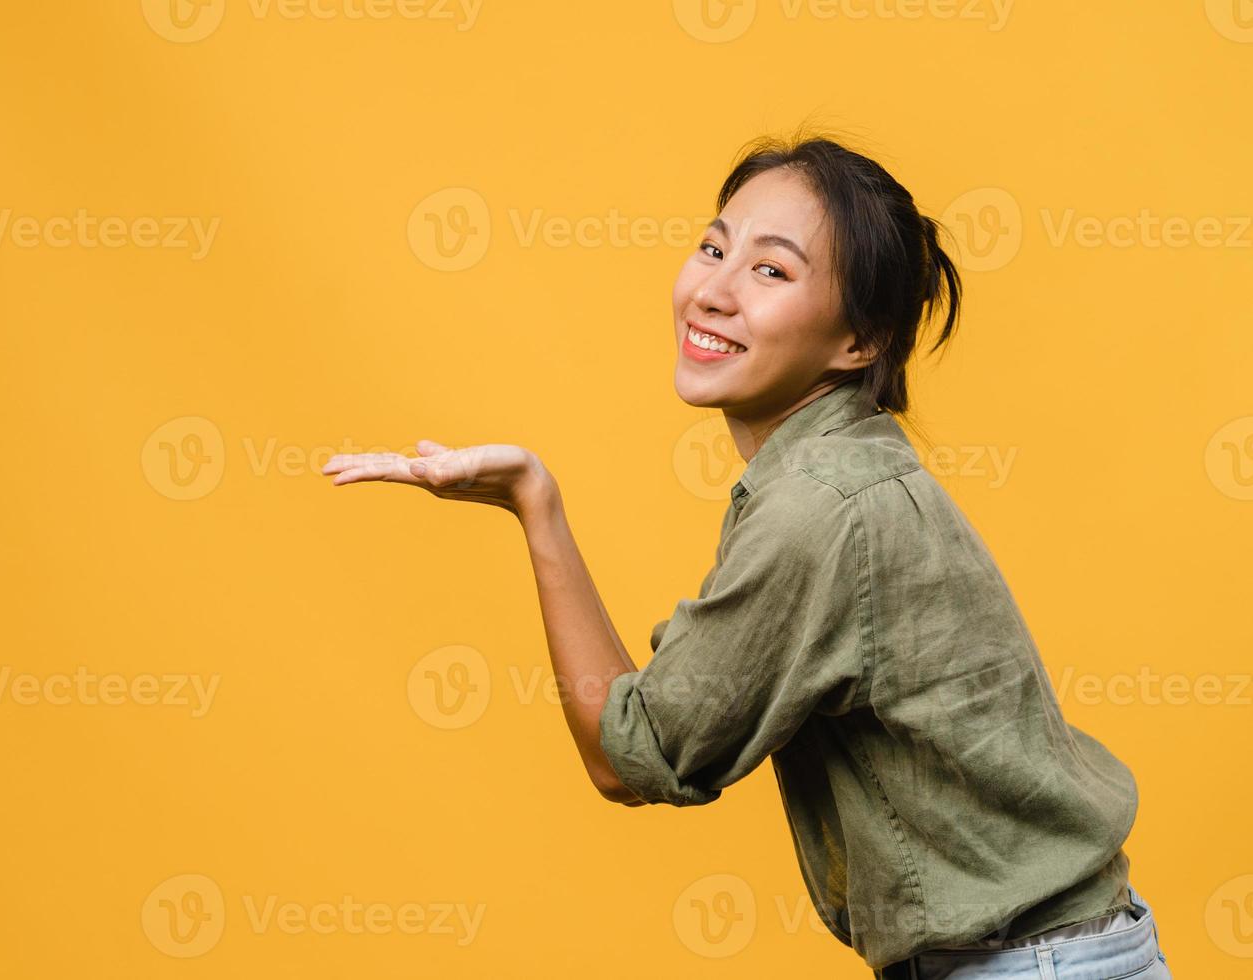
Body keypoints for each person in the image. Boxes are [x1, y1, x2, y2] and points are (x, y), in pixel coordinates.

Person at [320, 130, 1173, 978]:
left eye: (771, 270)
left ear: (861, 343)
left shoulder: (821, 508)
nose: (713, 292)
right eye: (712, 247)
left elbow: (634, 754)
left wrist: (534, 507)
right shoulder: (848, 470)